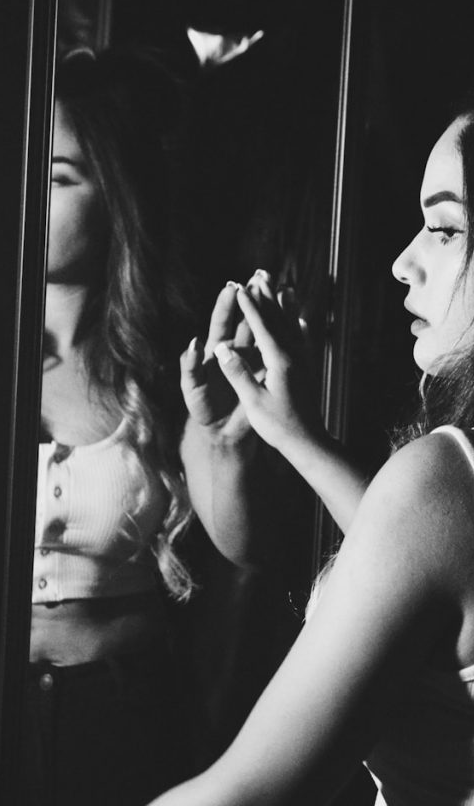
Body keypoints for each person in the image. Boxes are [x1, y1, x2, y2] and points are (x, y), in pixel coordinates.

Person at [149, 55, 474, 805]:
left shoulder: (452, 479)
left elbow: (242, 796)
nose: (401, 262)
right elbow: (467, 566)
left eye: (444, 229)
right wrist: (294, 433)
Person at [26, 48, 284, 806]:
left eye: (58, 178)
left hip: (124, 716)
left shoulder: (166, 363)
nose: (28, 195)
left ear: (118, 195)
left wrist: (226, 437)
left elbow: (243, 547)